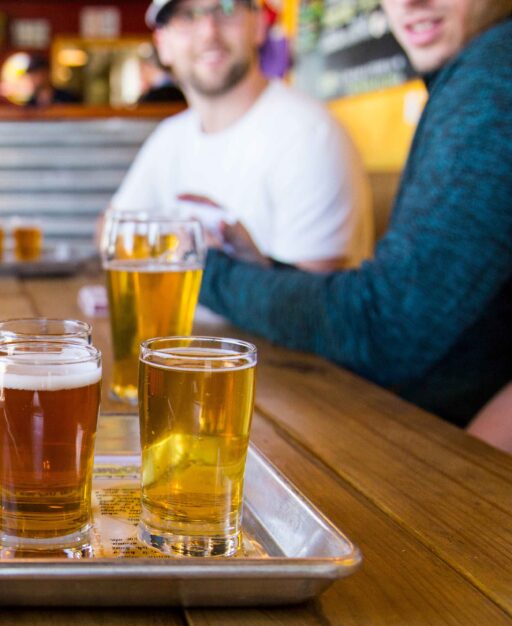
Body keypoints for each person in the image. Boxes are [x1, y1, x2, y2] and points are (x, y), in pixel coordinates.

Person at [195, 0, 512, 428]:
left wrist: (200, 271)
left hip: (443, 454)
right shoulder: (476, 72)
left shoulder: (493, 79)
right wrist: (267, 270)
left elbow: (389, 328)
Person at [112, 0, 373, 272]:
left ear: (258, 25)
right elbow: (107, 232)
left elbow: (311, 301)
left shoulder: (310, 134)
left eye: (226, 9)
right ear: (162, 44)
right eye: (187, 17)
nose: (208, 32)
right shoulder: (169, 137)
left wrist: (179, 251)